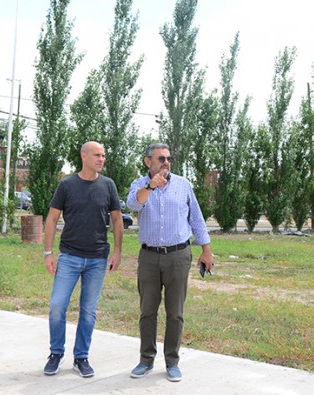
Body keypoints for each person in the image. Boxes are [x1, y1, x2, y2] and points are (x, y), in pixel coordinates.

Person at [125, 143, 214, 382]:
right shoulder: (139, 184)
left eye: (168, 158)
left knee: (175, 313)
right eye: (161, 158)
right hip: (149, 257)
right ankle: (146, 360)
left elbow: (196, 218)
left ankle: (172, 362)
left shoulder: (183, 185)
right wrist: (151, 185)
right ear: (148, 162)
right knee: (147, 311)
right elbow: (133, 204)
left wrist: (206, 250)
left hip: (178, 255)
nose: (166, 162)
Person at [41, 142, 123, 378]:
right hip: (69, 256)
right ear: (83, 156)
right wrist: (48, 253)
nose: (101, 159)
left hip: (97, 258)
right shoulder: (67, 184)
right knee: (57, 306)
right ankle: (56, 353)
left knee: (88, 311)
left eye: (103, 155)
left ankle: (81, 357)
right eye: (97, 155)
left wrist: (117, 251)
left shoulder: (108, 185)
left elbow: (117, 220)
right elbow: (52, 218)